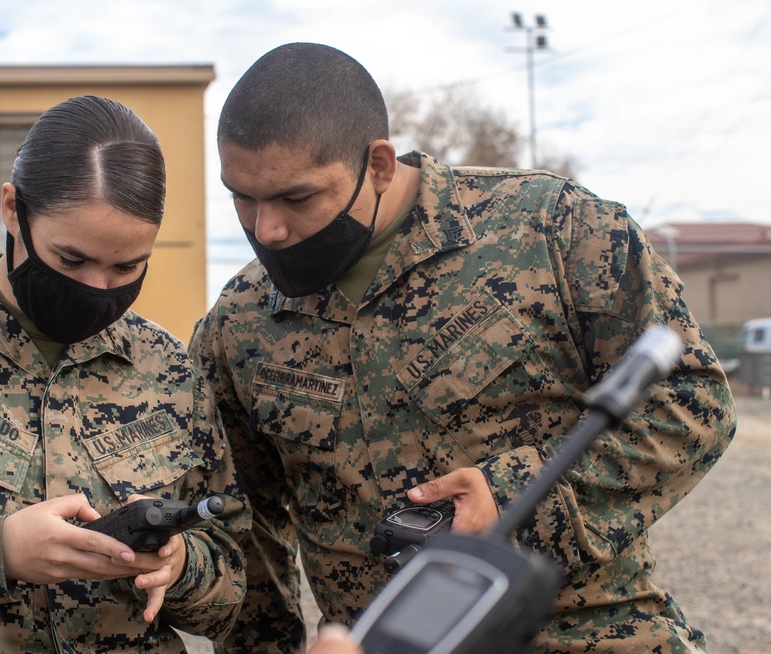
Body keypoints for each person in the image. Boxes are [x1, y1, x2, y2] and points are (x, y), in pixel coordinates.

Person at [189, 42, 737, 653]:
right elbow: (248, 527)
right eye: (242, 196)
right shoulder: (237, 323)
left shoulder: (553, 229)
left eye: (297, 198)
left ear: (377, 165)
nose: (268, 230)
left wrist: (513, 500)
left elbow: (691, 404)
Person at [0, 95, 248, 653]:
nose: (98, 288)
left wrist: (182, 565)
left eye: (127, 266)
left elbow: (234, 585)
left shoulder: (166, 367)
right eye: (70, 260)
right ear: (14, 210)